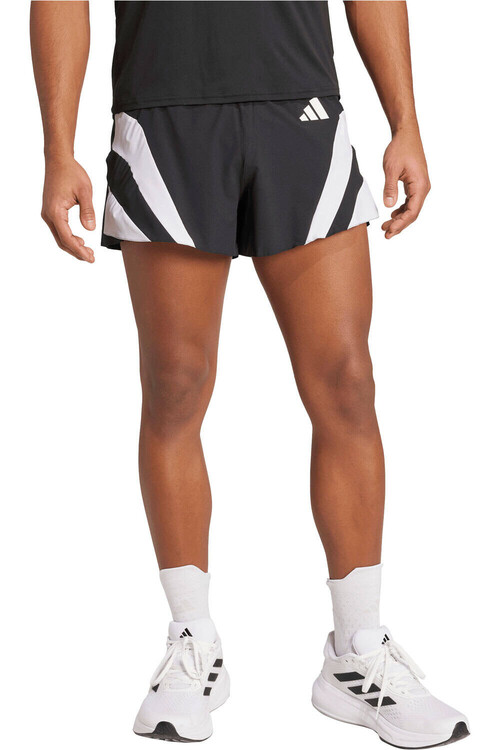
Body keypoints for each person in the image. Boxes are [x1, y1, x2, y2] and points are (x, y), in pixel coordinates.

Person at [30, 1, 469, 747]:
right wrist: (57, 148)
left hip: (300, 107)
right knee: (175, 385)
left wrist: (407, 122)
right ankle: (192, 643)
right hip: (164, 114)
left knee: (347, 381)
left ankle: (357, 651)